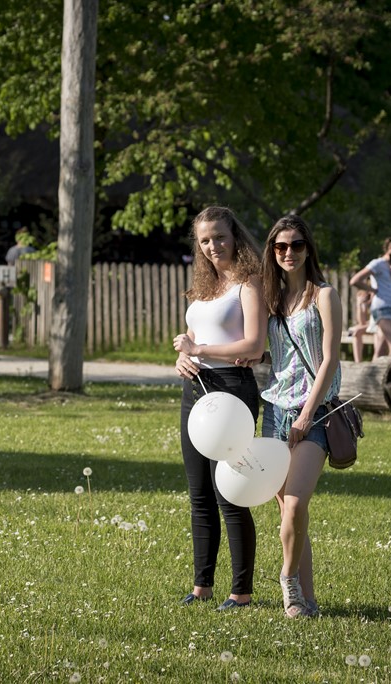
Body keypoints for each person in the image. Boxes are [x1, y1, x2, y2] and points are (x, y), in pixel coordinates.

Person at [172, 206, 267, 611]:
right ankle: (202, 587)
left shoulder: (249, 282)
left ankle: (241, 592)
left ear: (235, 236)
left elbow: (254, 345)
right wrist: (183, 355)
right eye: (205, 240)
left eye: (220, 237)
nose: (213, 246)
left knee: (229, 493)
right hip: (195, 389)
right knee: (199, 495)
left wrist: (200, 349)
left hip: (232, 389)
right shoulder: (204, 285)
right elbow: (194, 335)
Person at [259, 214, 342, 618]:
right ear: (272, 252)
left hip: (314, 413)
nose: (288, 252)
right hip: (275, 410)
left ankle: (287, 579)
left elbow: (330, 358)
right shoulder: (271, 299)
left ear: (308, 249)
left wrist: (307, 414)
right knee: (291, 515)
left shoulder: (324, 295)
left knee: (294, 505)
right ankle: (305, 601)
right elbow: (268, 351)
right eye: (280, 246)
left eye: (295, 244)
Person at [349, 237, 391, 359]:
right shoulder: (377, 264)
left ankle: (372, 371)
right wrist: (373, 290)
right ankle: (388, 371)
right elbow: (355, 280)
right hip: (382, 308)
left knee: (381, 350)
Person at [346, 289, 373, 363]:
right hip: (368, 326)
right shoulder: (364, 304)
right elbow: (361, 322)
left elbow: (366, 322)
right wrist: (359, 304)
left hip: (375, 326)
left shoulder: (375, 302)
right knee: (353, 331)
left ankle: (358, 362)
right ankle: (358, 361)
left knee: (356, 331)